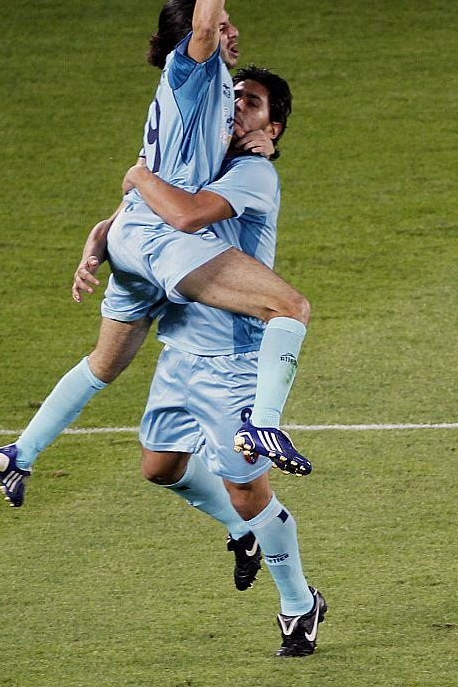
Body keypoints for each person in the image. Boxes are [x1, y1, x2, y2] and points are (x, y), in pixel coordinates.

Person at [0, 0, 311, 512]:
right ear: (194, 36)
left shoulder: (208, 95)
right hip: (163, 236)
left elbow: (153, 163)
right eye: (223, 24)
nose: (231, 31)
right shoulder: (194, 71)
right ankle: (263, 423)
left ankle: (19, 451)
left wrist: (105, 230)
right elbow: (181, 206)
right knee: (288, 306)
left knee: (105, 363)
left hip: (135, 233)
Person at [124, 66, 327, 657]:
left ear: (273, 127)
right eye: (234, 96)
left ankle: (298, 604)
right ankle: (243, 532)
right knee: (160, 467)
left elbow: (185, 214)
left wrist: (138, 174)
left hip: (231, 358)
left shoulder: (254, 173)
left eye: (253, 103)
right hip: (181, 347)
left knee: (248, 492)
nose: (237, 105)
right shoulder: (206, 156)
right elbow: (150, 210)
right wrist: (106, 227)